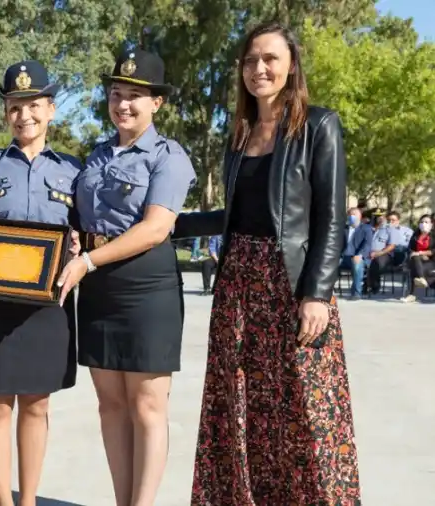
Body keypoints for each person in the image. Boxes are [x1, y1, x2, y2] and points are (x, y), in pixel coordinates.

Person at [173, 22, 361, 503]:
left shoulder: (319, 125)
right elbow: (236, 215)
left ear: (291, 65)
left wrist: (318, 293)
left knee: (306, 412)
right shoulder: (238, 134)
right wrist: (166, 224)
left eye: (270, 59)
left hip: (292, 284)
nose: (259, 68)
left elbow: (330, 218)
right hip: (238, 285)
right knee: (242, 408)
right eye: (251, 60)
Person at [54, 47, 194, 506]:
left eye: (136, 95)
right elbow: (78, 216)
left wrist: (89, 261)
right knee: (111, 405)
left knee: (148, 406)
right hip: (96, 286)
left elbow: (156, 227)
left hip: (144, 286)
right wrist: (76, 243)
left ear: (157, 103)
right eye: (117, 93)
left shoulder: (169, 157)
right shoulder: (93, 158)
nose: (124, 104)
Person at [0, 60, 80, 506]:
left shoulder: (73, 171)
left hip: (49, 305)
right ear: (6, 111)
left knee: (38, 404)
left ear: (51, 110)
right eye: (14, 106)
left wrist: (80, 246)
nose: (24, 115)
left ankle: (28, 501)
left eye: (33, 105)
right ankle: (3, 501)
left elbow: (82, 234)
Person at [400, 214, 435, 303]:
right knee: (415, 260)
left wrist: (422, 253)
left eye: (426, 222)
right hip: (416, 260)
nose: (423, 224)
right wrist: (415, 254)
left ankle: (412, 294)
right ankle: (422, 279)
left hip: (430, 261)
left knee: (415, 267)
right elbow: (410, 249)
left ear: (431, 224)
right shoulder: (415, 235)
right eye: (422, 222)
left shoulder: (433, 236)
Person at [367, 212, 403, 294]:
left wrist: (378, 253)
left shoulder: (391, 229)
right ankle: (363, 285)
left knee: (376, 262)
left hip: (385, 255)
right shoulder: (372, 228)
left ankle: (373, 287)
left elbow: (392, 246)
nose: (390, 222)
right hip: (369, 253)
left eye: (393, 220)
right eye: (389, 219)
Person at [341, 207, 373, 299]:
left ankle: (356, 293)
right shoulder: (343, 229)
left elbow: (367, 244)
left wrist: (360, 255)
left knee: (357, 265)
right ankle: (327, 291)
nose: (352, 216)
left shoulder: (366, 228)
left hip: (358, 256)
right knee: (329, 263)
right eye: (350, 214)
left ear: (360, 216)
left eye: (354, 214)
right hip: (343, 257)